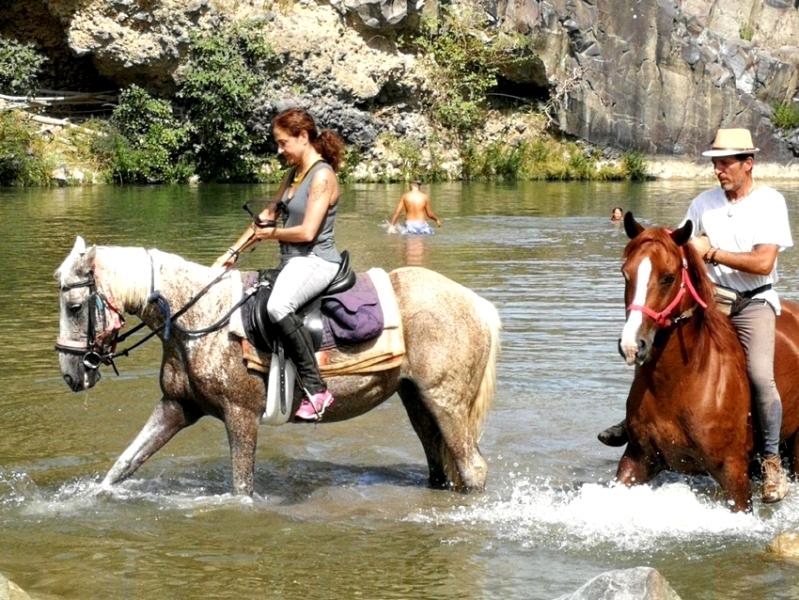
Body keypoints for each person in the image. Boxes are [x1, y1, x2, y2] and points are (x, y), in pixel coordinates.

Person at [598, 128, 793, 504]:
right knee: (658, 338)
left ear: (748, 164)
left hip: (753, 300)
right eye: (716, 164)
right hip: (713, 297)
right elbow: (677, 242)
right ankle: (636, 422)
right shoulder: (703, 203)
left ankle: (770, 459)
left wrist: (712, 252)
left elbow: (764, 261)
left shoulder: (770, 202)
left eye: (725, 163)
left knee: (759, 373)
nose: (718, 171)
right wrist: (643, 233)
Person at [213, 108, 345, 421]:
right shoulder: (292, 175)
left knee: (277, 306)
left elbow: (307, 231)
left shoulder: (322, 176)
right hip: (292, 262)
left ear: (303, 137)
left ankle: (316, 389)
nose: (279, 149)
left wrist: (270, 234)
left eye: (283, 142)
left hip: (317, 260)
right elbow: (266, 218)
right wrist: (231, 253)